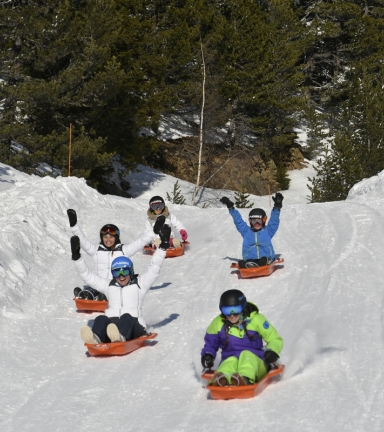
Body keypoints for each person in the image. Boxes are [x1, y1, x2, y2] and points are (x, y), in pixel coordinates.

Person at [70, 224, 172, 344]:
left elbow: (154, 267)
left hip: (134, 326)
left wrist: (163, 247)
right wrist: (77, 258)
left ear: (131, 271)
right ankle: (96, 338)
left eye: (125, 271)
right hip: (112, 328)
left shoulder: (140, 284)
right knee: (101, 318)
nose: (121, 275)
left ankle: (121, 337)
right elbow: (87, 276)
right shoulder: (109, 285)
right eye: (117, 272)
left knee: (126, 317)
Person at [67, 209, 165, 300]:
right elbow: (82, 240)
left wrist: (154, 231)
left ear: (116, 237)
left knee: (109, 293)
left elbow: (140, 242)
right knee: (90, 292)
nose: (108, 240)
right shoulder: (96, 250)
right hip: (98, 284)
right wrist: (74, 226)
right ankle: (85, 296)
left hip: (117, 284)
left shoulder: (123, 250)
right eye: (105, 237)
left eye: (111, 237)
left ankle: (103, 297)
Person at [201, 289, 283, 387]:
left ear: (243, 307)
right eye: (227, 311)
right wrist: (208, 354)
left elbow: (274, 338)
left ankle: (244, 378)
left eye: (236, 310)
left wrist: (272, 351)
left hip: (257, 363)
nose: (232, 315)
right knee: (229, 361)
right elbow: (210, 344)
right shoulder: (218, 323)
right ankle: (221, 380)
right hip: (231, 360)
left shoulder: (256, 319)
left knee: (246, 355)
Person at [220, 193, 283, 268]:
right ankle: (248, 264)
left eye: (259, 221)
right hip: (250, 259)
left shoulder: (268, 231)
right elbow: (238, 221)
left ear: (263, 221)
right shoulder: (246, 231)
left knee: (263, 260)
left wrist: (277, 208)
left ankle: (265, 262)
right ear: (250, 222)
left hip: (266, 258)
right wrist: (231, 208)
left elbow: (274, 222)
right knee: (242, 263)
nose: (256, 224)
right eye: (254, 221)